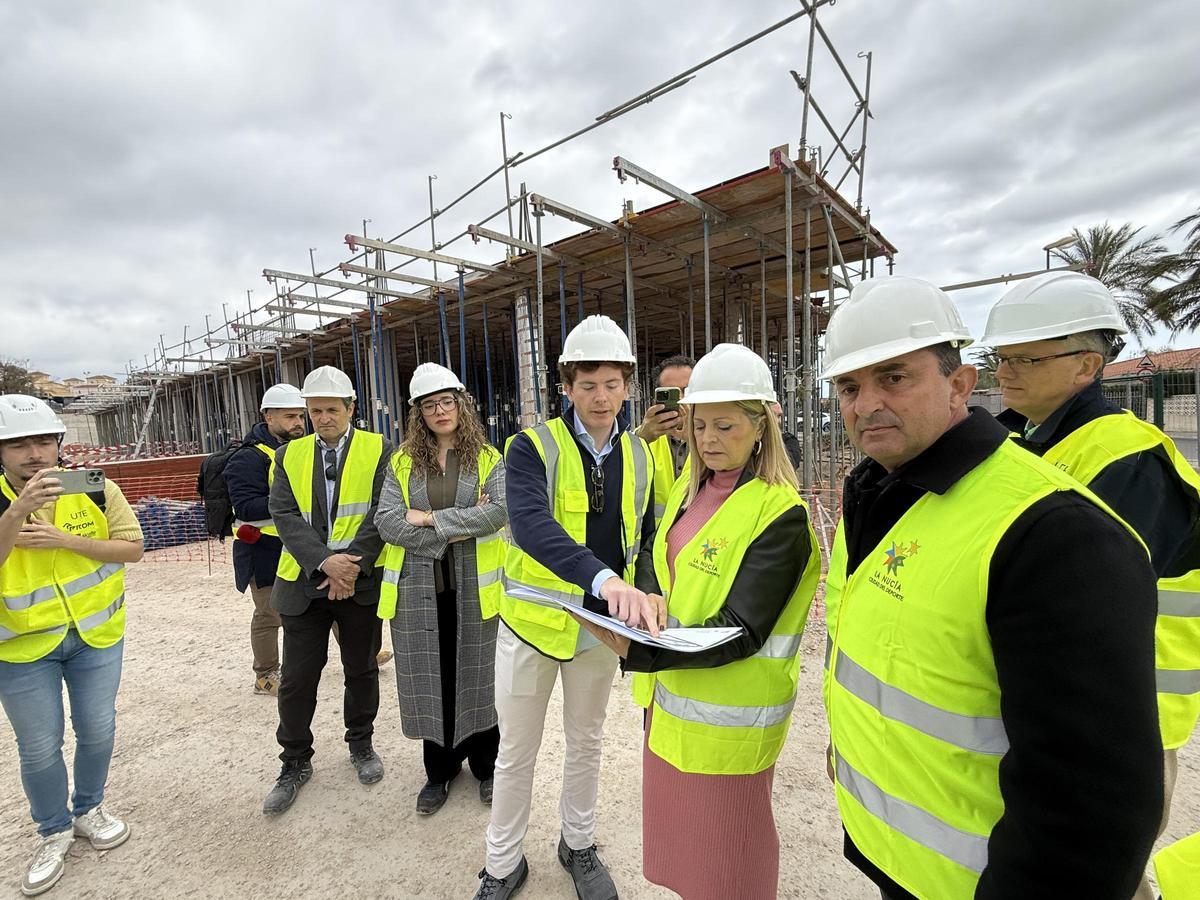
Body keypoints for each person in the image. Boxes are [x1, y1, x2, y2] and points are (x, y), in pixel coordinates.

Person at [820, 276, 1162, 898]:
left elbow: (1090, 809)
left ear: (959, 383)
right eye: (849, 386)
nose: (865, 403)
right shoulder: (877, 490)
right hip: (896, 859)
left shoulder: (1053, 533)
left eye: (894, 377)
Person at [980, 270, 1200, 899]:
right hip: (1049, 711)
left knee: (1094, 873)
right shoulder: (1031, 444)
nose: (1007, 371)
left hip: (1118, 725)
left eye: (1027, 358)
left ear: (1086, 366)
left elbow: (1080, 608)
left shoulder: (1128, 460)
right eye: (1002, 357)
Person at [574, 343, 821, 900]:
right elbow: (658, 559)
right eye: (700, 424)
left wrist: (633, 647)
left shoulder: (780, 513)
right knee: (687, 858)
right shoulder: (694, 491)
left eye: (726, 426)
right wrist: (650, 595)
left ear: (761, 426)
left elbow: (741, 628)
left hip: (727, 725)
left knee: (730, 864)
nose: (709, 439)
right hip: (669, 707)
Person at [474, 315, 657, 900]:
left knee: (587, 741)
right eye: (587, 385)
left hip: (599, 632)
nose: (600, 398)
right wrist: (605, 582)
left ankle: (577, 844)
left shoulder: (643, 456)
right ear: (566, 386)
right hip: (532, 624)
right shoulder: (530, 446)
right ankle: (501, 864)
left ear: (628, 385)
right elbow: (530, 525)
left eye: (611, 385)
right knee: (516, 752)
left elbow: (646, 536)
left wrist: (645, 590)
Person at [0, 395, 143, 897]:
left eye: (43, 441)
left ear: (59, 445)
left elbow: (133, 548)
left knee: (98, 730)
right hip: (22, 647)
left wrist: (66, 539)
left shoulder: (96, 488)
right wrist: (18, 511)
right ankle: (53, 830)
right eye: (18, 444)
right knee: (39, 747)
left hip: (95, 636)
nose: (34, 454)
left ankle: (88, 808)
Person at [375, 363, 508, 816]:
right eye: (429, 405)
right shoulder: (402, 461)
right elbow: (388, 521)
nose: (439, 410)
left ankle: (486, 768)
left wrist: (430, 518)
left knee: (480, 677)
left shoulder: (488, 457)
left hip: (476, 591)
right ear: (419, 413)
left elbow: (498, 513)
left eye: (446, 401)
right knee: (432, 680)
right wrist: (459, 525)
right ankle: (440, 772)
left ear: (460, 404)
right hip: (420, 592)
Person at [261, 366, 392, 816]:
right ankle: (294, 760)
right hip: (304, 582)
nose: (322, 418)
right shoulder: (288, 456)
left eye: (331, 410)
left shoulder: (379, 450)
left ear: (350, 409)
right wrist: (325, 562)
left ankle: (361, 744)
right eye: (314, 411)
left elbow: (383, 511)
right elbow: (283, 514)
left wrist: (350, 566)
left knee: (360, 670)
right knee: (298, 679)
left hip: (359, 581)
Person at [224, 383, 306, 696]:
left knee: (330, 598)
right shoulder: (247, 459)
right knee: (270, 614)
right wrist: (294, 503)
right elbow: (245, 505)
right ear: (268, 417)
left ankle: (363, 653)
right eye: (289, 416)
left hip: (300, 543)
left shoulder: (303, 450)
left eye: (300, 416)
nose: (298, 423)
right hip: (263, 550)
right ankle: (266, 674)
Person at [635, 355, 693, 523]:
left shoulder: (715, 441)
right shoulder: (638, 440)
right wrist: (641, 439)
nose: (681, 399)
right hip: (654, 542)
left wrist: (698, 438)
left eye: (687, 390)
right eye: (672, 393)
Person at [769, 401, 803, 472]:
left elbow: (790, 465)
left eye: (779, 416)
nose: (777, 420)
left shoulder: (789, 441)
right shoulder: (751, 442)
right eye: (772, 415)